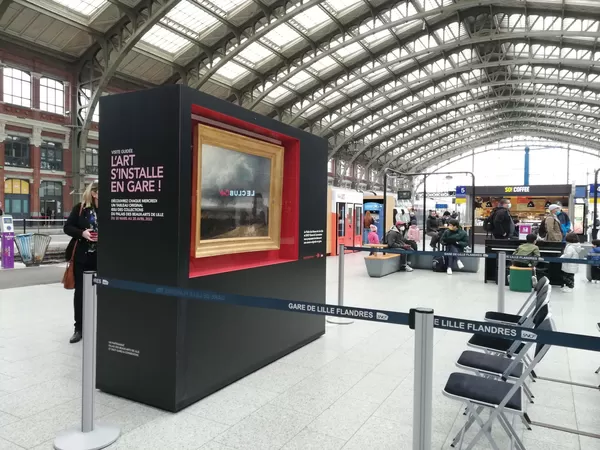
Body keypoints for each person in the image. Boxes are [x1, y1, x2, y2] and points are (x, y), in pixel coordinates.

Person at [64, 181, 99, 344]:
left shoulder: (112, 208)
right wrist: (82, 233)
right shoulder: (80, 208)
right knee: (80, 293)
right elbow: (67, 227)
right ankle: (79, 328)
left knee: (103, 292)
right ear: (94, 193)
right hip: (82, 258)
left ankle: (99, 324)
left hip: (103, 258)